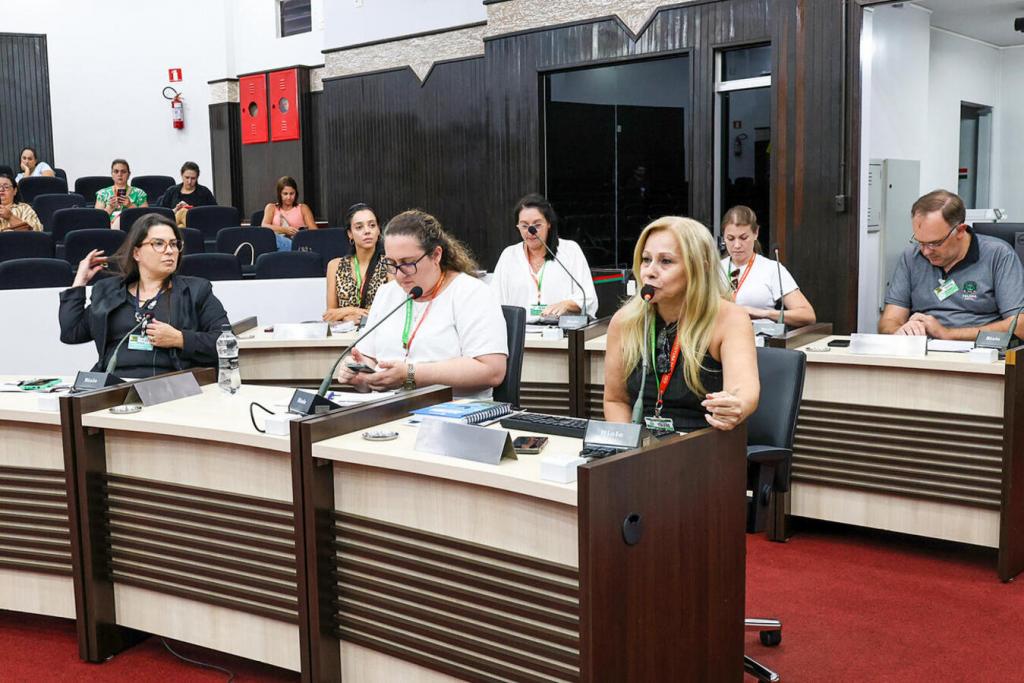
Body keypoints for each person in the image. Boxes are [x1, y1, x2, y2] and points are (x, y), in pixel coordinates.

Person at [603, 216, 759, 432]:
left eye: (666, 261)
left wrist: (736, 406)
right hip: (642, 445)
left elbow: (743, 392)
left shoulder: (729, 318)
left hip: (705, 441)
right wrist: (628, 445)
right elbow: (615, 400)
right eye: (646, 260)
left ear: (700, 268)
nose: (649, 271)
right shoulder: (624, 321)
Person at [336, 209, 508, 399]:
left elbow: (492, 370)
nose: (399, 274)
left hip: (453, 409)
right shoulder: (387, 293)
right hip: (389, 407)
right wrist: (360, 373)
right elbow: (369, 359)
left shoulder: (471, 292)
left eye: (407, 263)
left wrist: (410, 374)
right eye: (391, 263)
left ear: (436, 255)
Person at [58, 213, 230, 379]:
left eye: (174, 244)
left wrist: (180, 339)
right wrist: (79, 281)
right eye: (159, 244)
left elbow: (226, 342)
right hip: (114, 387)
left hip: (172, 386)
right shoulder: (109, 292)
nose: (169, 251)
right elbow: (71, 333)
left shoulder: (196, 290)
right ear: (136, 253)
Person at [879, 190, 1024, 340]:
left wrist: (947, 334)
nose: (926, 251)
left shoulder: (998, 254)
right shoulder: (912, 256)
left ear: (960, 231)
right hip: (922, 347)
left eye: (935, 243)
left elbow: (1020, 326)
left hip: (977, 349)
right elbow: (889, 321)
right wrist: (900, 331)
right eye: (920, 242)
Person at [492, 193, 598, 320]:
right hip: (521, 330)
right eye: (524, 226)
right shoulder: (509, 255)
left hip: (560, 329)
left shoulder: (570, 251)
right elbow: (494, 301)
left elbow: (588, 297)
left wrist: (567, 304)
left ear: (548, 223)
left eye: (537, 225)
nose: (531, 231)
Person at [720, 205, 816, 328]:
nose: (737, 245)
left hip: (760, 336)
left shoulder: (771, 269)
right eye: (730, 239)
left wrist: (764, 313)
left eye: (743, 238)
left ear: (756, 233)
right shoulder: (714, 269)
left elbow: (807, 315)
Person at [324, 203, 389, 323]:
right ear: (350, 233)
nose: (367, 231)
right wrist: (352, 311)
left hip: (379, 330)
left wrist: (345, 314)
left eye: (372, 225)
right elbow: (329, 315)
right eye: (359, 227)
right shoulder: (335, 265)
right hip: (345, 332)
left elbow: (391, 311)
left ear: (378, 230)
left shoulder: (390, 264)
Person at [261, 176, 317, 251]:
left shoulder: (303, 208)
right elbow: (264, 226)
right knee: (272, 238)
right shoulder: (271, 207)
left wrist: (300, 234)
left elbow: (314, 232)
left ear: (296, 193)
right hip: (276, 245)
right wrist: (285, 230)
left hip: (297, 244)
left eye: (292, 193)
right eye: (285, 194)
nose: (289, 197)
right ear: (279, 194)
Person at [95, 159, 148, 229]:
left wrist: (130, 205)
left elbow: (146, 218)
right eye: (116, 171)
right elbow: (97, 220)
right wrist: (110, 207)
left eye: (123, 171)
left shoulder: (139, 193)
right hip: (109, 229)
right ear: (112, 174)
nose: (119, 174)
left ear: (129, 174)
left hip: (133, 228)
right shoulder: (102, 194)